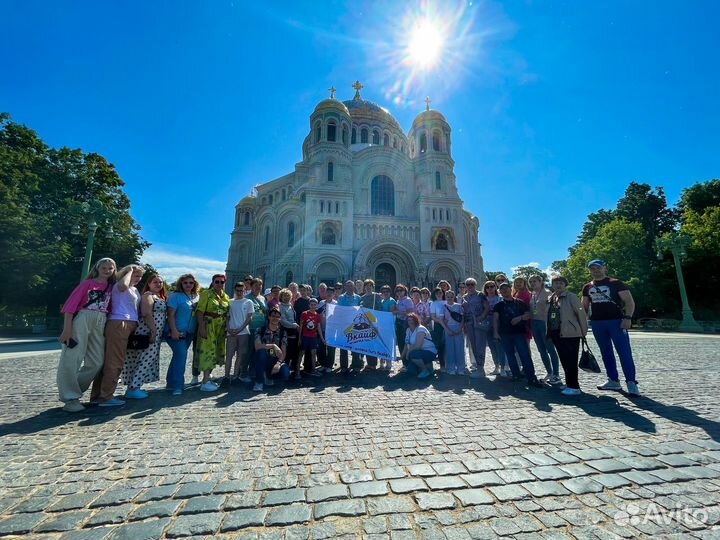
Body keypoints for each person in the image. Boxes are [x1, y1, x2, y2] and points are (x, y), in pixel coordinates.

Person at [56, 257, 117, 412]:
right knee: (72, 357)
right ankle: (70, 398)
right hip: (83, 317)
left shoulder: (111, 287)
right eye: (104, 267)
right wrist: (67, 329)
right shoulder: (87, 284)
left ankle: (74, 390)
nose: (107, 270)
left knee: (97, 361)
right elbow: (70, 307)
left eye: (111, 268)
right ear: (97, 268)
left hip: (101, 319)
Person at [581, 259, 640, 396]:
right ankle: (613, 380)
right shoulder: (587, 287)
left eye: (598, 268)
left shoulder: (615, 283)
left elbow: (629, 301)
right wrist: (582, 322)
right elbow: (583, 306)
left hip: (616, 321)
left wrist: (628, 318)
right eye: (593, 269)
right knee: (606, 353)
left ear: (605, 268)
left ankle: (631, 382)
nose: (596, 271)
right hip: (597, 323)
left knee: (624, 352)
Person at [90, 264, 144, 406]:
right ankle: (106, 397)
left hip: (128, 323)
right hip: (120, 322)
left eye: (140, 276)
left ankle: (98, 395)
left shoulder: (134, 289)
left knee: (110, 361)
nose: (138, 278)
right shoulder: (119, 285)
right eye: (135, 275)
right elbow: (122, 286)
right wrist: (129, 271)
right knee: (115, 362)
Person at [122, 273, 168, 399]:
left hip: (155, 332)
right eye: (155, 282)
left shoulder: (159, 296)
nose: (158, 284)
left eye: (160, 282)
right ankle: (133, 388)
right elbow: (147, 314)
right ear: (149, 284)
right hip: (148, 331)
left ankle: (134, 386)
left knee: (145, 359)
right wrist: (153, 331)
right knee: (145, 359)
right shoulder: (148, 295)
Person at [492, 282, 542, 387]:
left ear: (511, 289)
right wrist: (496, 332)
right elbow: (495, 319)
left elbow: (528, 315)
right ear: (500, 292)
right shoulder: (498, 305)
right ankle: (516, 375)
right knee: (510, 355)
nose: (505, 290)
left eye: (507, 288)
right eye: (502, 289)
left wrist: (519, 318)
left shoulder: (520, 303)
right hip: (505, 333)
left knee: (524, 355)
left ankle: (531, 377)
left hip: (519, 333)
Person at [548, 276, 588, 396]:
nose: (558, 285)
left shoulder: (571, 296)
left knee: (571, 361)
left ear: (565, 285)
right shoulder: (552, 298)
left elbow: (581, 314)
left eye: (561, 283)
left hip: (571, 333)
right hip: (557, 333)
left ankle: (574, 387)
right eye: (556, 283)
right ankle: (569, 383)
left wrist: (583, 331)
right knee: (564, 360)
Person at [166, 274, 200, 395]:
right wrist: (174, 330)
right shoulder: (175, 296)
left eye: (191, 283)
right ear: (181, 283)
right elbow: (170, 315)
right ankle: (178, 386)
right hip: (177, 331)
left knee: (178, 357)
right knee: (182, 356)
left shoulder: (197, 296)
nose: (188, 285)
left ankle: (170, 382)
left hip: (189, 332)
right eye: (185, 283)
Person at [195, 274, 230, 392]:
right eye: (217, 282)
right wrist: (201, 327)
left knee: (215, 352)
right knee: (208, 351)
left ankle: (208, 377)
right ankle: (204, 382)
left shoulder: (225, 296)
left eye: (222, 282)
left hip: (220, 328)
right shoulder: (206, 294)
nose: (219, 284)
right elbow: (200, 311)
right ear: (213, 282)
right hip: (209, 325)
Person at [529, 275, 561, 385]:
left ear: (540, 282)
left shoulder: (547, 293)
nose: (533, 283)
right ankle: (549, 372)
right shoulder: (532, 294)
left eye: (535, 281)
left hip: (544, 323)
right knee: (541, 350)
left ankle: (556, 374)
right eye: (531, 282)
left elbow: (553, 309)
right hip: (534, 323)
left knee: (550, 349)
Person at [252, 307, 290, 392]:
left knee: (286, 374)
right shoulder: (260, 330)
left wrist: (278, 363)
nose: (275, 318)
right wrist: (273, 345)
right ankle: (259, 382)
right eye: (273, 316)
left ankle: (269, 376)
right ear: (269, 317)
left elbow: (283, 352)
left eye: (277, 317)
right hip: (263, 359)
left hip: (275, 359)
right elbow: (257, 346)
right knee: (261, 353)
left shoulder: (282, 332)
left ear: (280, 319)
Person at [225, 281, 254, 384]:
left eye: (241, 291)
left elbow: (249, 318)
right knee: (229, 355)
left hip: (243, 332)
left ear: (244, 290)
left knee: (240, 355)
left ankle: (235, 376)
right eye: (237, 291)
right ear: (234, 290)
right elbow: (227, 317)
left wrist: (240, 329)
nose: (239, 292)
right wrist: (228, 328)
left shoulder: (248, 302)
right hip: (231, 332)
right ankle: (226, 377)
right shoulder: (229, 302)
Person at [461, 278, 491, 378]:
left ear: (475, 285)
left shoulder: (480, 295)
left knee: (480, 345)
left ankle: (481, 368)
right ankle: (478, 367)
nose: (470, 286)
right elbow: (463, 312)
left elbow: (487, 308)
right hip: (469, 324)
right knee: (473, 345)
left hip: (479, 323)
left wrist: (480, 318)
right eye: (468, 284)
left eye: (472, 284)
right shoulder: (464, 297)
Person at [337, 280, 362, 372]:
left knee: (355, 346)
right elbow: (339, 310)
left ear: (354, 287)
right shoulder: (341, 298)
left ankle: (356, 365)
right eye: (347, 286)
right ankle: (344, 367)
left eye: (351, 286)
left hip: (355, 326)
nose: (349, 288)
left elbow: (361, 311)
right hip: (344, 325)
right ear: (345, 287)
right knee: (343, 347)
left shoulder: (358, 298)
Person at [402, 313, 437, 379]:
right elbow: (406, 344)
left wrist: (408, 353)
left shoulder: (421, 329)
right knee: (411, 371)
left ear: (416, 320)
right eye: (409, 320)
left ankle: (425, 370)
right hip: (419, 352)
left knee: (413, 355)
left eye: (412, 320)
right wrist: (402, 356)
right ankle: (428, 366)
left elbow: (418, 346)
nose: (411, 322)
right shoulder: (408, 330)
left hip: (429, 351)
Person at [483, 281, 506, 375]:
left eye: (492, 286)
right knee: (492, 347)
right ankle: (496, 366)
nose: (490, 289)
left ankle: (503, 368)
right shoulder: (484, 299)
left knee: (500, 346)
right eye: (488, 287)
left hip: (498, 324)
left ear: (495, 287)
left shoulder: (500, 298)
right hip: (488, 325)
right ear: (485, 289)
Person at [278, 288, 301, 377]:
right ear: (281, 297)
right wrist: (294, 325)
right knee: (286, 352)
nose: (286, 298)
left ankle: (294, 371)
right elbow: (283, 321)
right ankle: (285, 373)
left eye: (288, 296)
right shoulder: (280, 306)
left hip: (293, 330)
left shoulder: (290, 305)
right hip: (286, 331)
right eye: (284, 296)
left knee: (295, 351)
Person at [441, 291, 465, 375]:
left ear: (454, 297)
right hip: (448, 328)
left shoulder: (458, 306)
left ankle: (461, 368)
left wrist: (460, 328)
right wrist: (447, 330)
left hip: (458, 328)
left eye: (451, 296)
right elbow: (442, 320)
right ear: (445, 297)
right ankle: (451, 368)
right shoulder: (443, 307)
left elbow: (462, 318)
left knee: (459, 349)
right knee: (449, 349)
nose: (449, 298)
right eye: (448, 297)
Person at [360, 279, 383, 369]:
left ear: (373, 287)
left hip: (374, 322)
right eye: (367, 286)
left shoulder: (377, 296)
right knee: (367, 342)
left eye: (370, 286)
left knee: (374, 342)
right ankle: (369, 363)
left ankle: (373, 363)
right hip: (365, 322)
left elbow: (380, 308)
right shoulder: (362, 298)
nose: (368, 288)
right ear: (364, 287)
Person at [300, 298, 324, 376]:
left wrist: (322, 338)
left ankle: (313, 370)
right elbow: (301, 326)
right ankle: (297, 371)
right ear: (309, 305)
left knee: (313, 353)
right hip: (305, 337)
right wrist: (300, 338)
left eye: (314, 305)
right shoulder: (304, 313)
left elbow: (319, 327)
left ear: (317, 305)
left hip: (313, 337)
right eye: (311, 305)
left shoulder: (317, 315)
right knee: (301, 353)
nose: (313, 306)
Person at [393, 284, 414, 359]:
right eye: (397, 290)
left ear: (405, 291)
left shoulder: (407, 300)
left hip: (405, 323)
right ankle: (404, 362)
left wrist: (398, 312)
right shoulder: (398, 300)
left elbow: (411, 313)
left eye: (401, 290)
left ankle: (408, 361)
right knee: (400, 342)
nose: (399, 292)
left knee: (405, 342)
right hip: (398, 322)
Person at [429, 286, 446, 368]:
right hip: (438, 325)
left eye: (440, 292)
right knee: (440, 345)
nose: (439, 294)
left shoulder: (446, 302)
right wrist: (440, 321)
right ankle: (442, 364)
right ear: (434, 294)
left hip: (447, 324)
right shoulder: (433, 303)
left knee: (448, 344)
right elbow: (432, 316)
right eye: (437, 293)